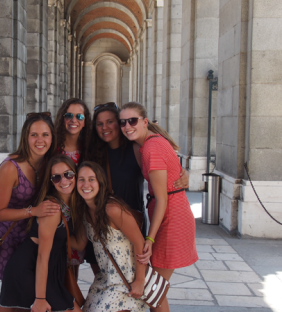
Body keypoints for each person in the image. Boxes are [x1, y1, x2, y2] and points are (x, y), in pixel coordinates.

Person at [86, 102, 189, 274]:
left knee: (136, 279)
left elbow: (163, 168)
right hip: (102, 224)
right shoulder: (93, 153)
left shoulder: (137, 148)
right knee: (106, 280)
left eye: (110, 121)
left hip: (133, 223)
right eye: (99, 123)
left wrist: (183, 173)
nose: (105, 127)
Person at [119, 102, 198, 312]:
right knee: (155, 291)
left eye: (132, 120)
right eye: (123, 122)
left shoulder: (152, 148)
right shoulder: (149, 143)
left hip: (172, 218)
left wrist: (150, 239)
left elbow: (162, 199)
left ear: (145, 122)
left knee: (153, 290)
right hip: (170, 213)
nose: (127, 126)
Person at [0, 155, 82, 312]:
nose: (64, 181)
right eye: (56, 178)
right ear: (50, 182)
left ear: (76, 175)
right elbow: (43, 256)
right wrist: (40, 299)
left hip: (47, 271)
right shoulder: (52, 209)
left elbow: (77, 242)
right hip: (29, 269)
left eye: (68, 174)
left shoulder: (71, 205)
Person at [0, 112, 62, 280]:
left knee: (29, 284)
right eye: (34, 135)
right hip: (7, 232)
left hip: (29, 230)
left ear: (52, 137)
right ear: (25, 137)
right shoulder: (10, 167)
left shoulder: (49, 162)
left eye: (45, 135)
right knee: (13, 287)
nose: (40, 140)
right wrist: (33, 211)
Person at [70, 161, 148, 312]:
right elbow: (79, 243)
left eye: (91, 179)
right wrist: (52, 235)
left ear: (100, 182)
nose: (86, 184)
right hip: (105, 278)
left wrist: (139, 281)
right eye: (81, 179)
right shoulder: (85, 212)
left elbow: (140, 242)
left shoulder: (112, 209)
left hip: (127, 281)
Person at [54, 98, 92, 275]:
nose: (73, 120)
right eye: (68, 115)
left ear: (85, 122)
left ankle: (70, 302)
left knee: (72, 269)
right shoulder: (52, 147)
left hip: (80, 213)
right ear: (62, 118)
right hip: (54, 213)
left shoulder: (90, 149)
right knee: (54, 265)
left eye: (79, 116)